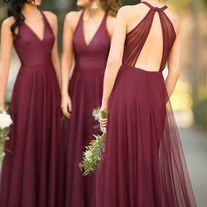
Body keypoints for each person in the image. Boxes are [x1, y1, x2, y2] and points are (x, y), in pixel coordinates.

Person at [98, 0, 197, 206]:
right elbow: (174, 71)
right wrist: (159, 102)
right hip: (155, 93)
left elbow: (113, 62)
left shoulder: (127, 12)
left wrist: (105, 103)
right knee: (146, 163)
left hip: (126, 91)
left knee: (121, 162)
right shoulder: (175, 20)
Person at [0, 1, 64, 207]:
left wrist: (64, 94)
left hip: (51, 88)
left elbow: (55, 60)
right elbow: (4, 64)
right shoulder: (10, 23)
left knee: (49, 142)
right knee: (25, 145)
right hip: (26, 90)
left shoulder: (52, 19)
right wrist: (0, 104)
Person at [60, 0, 119, 206]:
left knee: (99, 146)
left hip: (101, 92)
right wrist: (64, 93)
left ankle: (99, 200)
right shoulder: (71, 19)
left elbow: (117, 64)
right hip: (77, 89)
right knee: (76, 145)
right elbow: (66, 57)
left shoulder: (112, 23)